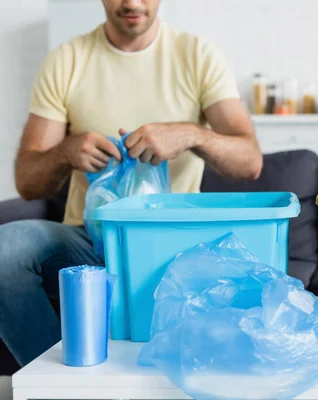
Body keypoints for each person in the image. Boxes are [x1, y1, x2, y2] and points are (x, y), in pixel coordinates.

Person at [0, 0, 262, 366]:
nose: (132, 3)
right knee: (4, 250)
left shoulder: (197, 55)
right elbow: (27, 183)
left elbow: (250, 161)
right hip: (89, 242)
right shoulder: (67, 61)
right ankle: (58, 383)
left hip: (177, 240)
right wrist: (65, 151)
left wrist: (191, 135)